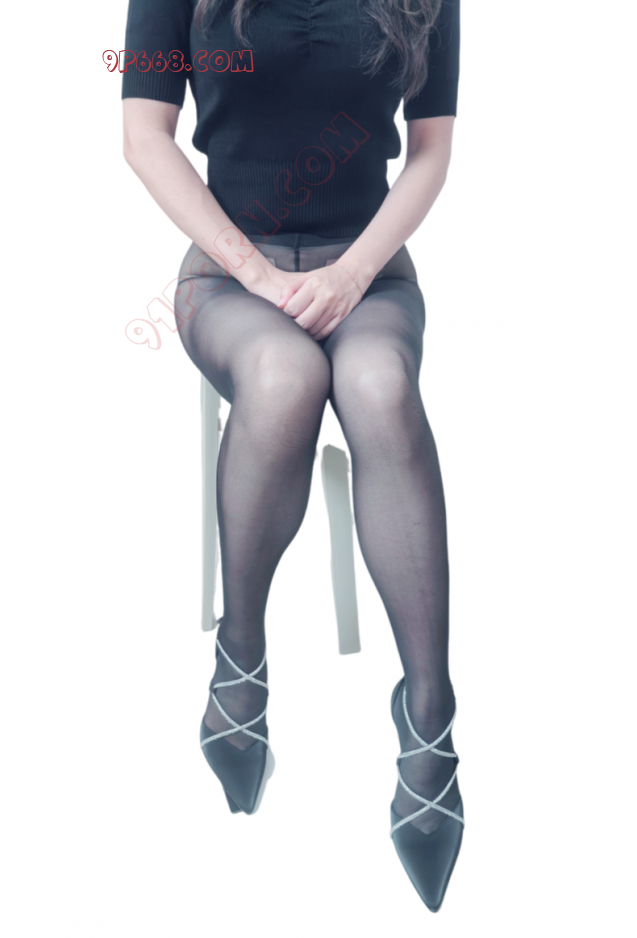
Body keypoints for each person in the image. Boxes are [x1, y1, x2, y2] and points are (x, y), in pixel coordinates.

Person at [122, 0, 462, 912]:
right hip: (229, 274)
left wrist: (350, 275)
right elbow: (144, 137)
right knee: (284, 377)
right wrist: (260, 274)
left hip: (370, 272)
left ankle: (429, 714)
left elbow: (431, 150)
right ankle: (241, 659)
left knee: (379, 386)